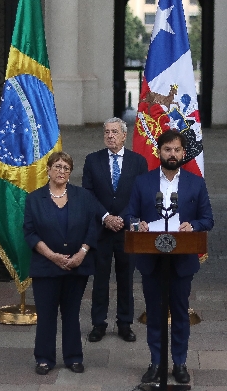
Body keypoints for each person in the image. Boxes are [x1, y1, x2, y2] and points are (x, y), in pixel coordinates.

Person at [124, 130, 214, 385]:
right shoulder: (144, 182)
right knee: (154, 312)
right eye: (167, 150)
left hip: (181, 260)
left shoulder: (195, 183)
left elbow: (208, 219)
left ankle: (180, 362)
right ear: (159, 152)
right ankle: (155, 362)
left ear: (183, 153)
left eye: (176, 150)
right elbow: (130, 215)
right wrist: (136, 224)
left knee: (180, 313)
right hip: (152, 261)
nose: (172, 154)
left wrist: (193, 226)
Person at [23, 152, 103, 375]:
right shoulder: (34, 198)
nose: (61, 171)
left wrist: (82, 253)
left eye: (66, 168)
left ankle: (74, 357)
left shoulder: (83, 197)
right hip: (46, 266)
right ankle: (44, 359)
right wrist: (52, 256)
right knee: (46, 314)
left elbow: (92, 228)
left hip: (77, 266)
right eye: (57, 166)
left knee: (71, 313)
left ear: (70, 172)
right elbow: (30, 233)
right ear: (48, 170)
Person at [82, 118, 148, 343]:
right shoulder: (92, 160)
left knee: (125, 279)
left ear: (124, 135)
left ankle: (124, 323)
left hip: (127, 230)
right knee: (100, 279)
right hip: (101, 230)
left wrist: (124, 218)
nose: (110, 136)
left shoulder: (138, 162)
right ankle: (98, 324)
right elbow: (87, 194)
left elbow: (141, 194)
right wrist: (105, 217)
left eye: (114, 132)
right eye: (107, 132)